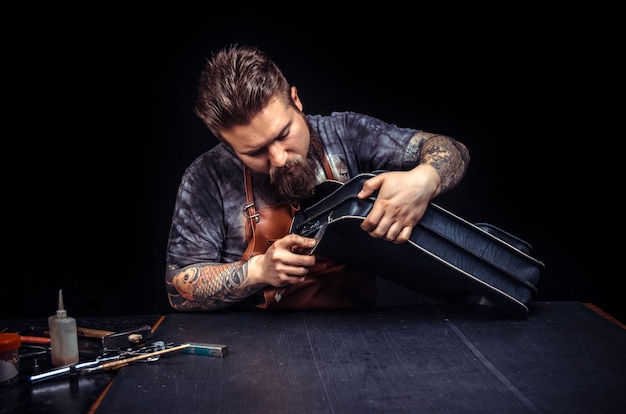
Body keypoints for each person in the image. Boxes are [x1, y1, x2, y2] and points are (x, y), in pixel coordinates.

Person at [165, 44, 470, 311]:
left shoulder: (346, 134)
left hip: (358, 336)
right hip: (252, 346)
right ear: (230, 146)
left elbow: (452, 150)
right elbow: (179, 290)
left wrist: (424, 179)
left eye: (284, 134)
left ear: (296, 101)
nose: (280, 159)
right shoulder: (206, 176)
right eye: (254, 152)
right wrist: (258, 271)